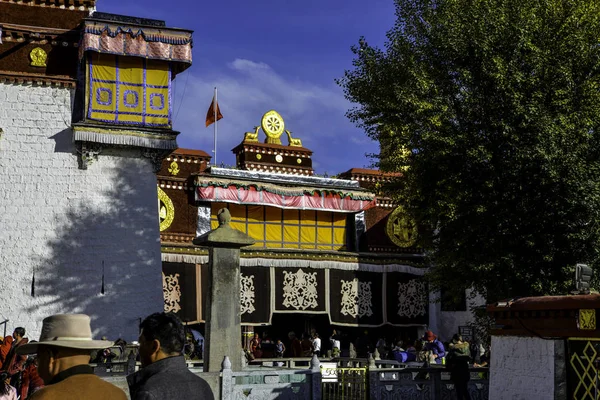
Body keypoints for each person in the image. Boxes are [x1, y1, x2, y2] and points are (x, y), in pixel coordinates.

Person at [16, 314, 127, 400]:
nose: (38, 370)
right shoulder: (118, 395)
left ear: (50, 357)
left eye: (39, 358)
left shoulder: (44, 397)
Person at [127, 312, 214, 400]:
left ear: (154, 346)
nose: (139, 350)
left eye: (141, 343)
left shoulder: (149, 392)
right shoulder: (203, 387)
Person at [447, 334, 472, 400]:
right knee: (464, 390)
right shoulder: (466, 347)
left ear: (454, 340)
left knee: (459, 393)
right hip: (465, 370)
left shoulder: (453, 348)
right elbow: (470, 357)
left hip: (457, 371)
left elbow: (449, 359)